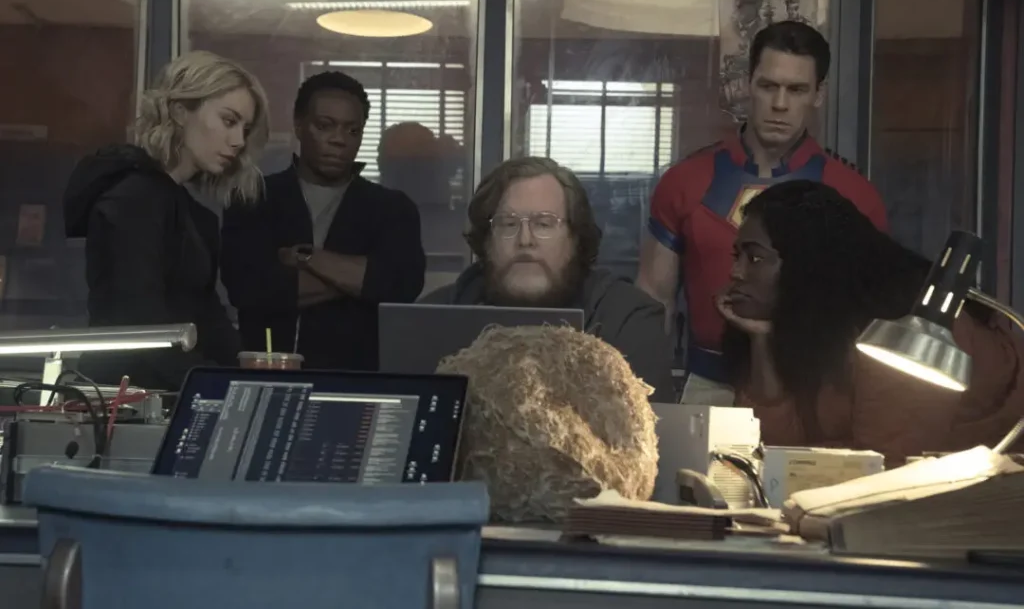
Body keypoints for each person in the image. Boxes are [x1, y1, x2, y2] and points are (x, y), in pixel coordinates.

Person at [637, 21, 888, 398]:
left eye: (796, 90)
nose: (780, 104)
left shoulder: (855, 195)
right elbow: (654, 304)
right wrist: (645, 399)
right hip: (709, 383)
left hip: (812, 388)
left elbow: (871, 316)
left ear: (818, 94)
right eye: (769, 86)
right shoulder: (686, 181)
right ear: (747, 84)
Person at [718, 180, 1024, 465]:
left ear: (807, 260)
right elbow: (776, 448)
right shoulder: (818, 323)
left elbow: (886, 464)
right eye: (736, 256)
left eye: (755, 258)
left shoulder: (908, 327)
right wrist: (762, 341)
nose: (735, 273)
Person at [62, 51, 270, 390]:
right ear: (180, 111)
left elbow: (206, 315)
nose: (238, 141)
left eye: (244, 129)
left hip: (165, 390)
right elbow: (139, 322)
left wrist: (246, 372)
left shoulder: (194, 214)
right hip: (125, 397)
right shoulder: (134, 199)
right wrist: (213, 383)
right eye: (228, 121)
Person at [421, 157, 676, 402]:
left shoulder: (628, 319)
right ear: (486, 241)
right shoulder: (430, 318)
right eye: (508, 224)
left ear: (576, 238)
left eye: (543, 224)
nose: (525, 240)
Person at [221, 71, 425, 370]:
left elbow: (400, 286)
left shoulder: (392, 208)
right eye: (324, 125)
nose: (339, 140)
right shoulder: (253, 198)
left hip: (357, 378)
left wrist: (306, 258)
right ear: (299, 125)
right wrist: (360, 282)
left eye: (352, 130)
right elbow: (249, 289)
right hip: (269, 371)